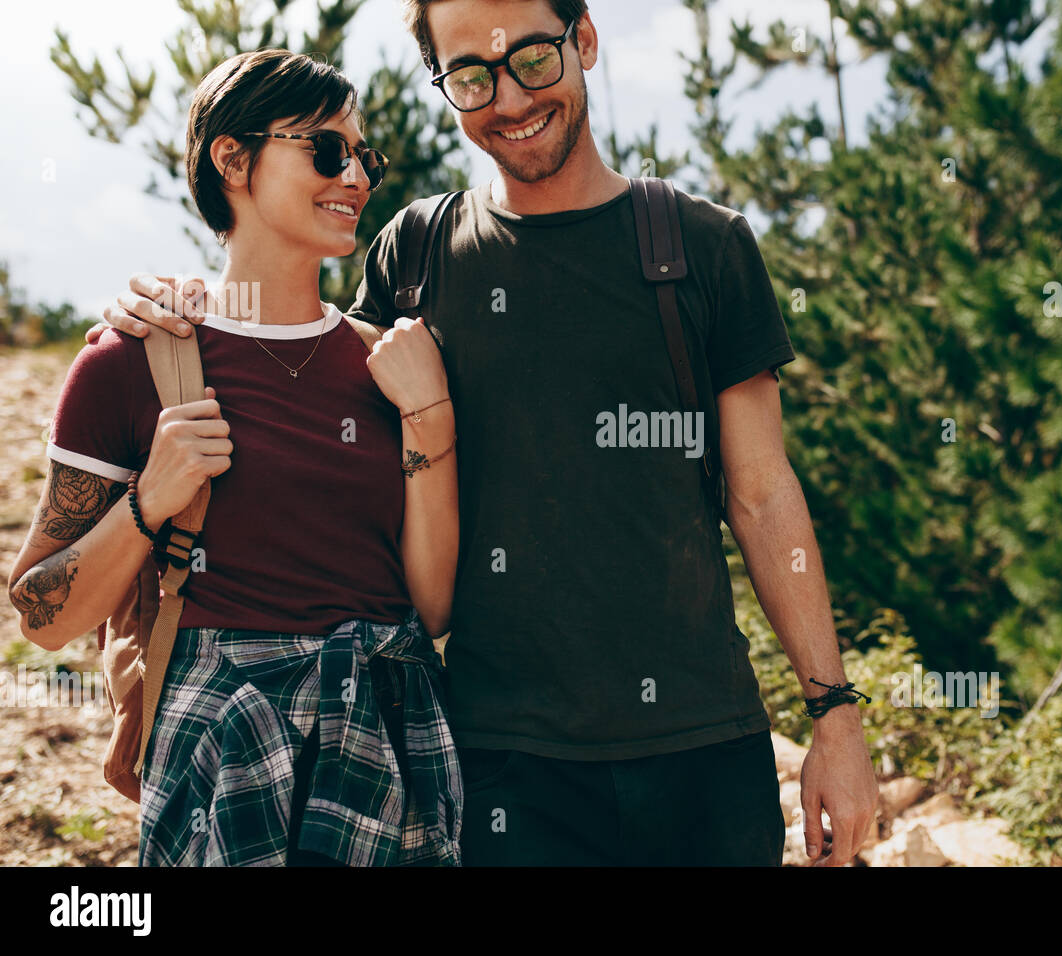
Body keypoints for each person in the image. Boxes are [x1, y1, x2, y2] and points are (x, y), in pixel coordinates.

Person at [95, 0, 879, 867]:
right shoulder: (414, 255)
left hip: (703, 750)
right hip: (495, 768)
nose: (507, 98)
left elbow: (763, 494)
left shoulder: (702, 246)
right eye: (471, 76)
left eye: (534, 59)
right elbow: (306, 386)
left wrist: (834, 714)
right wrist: (185, 308)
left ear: (584, 41)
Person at [9, 49, 463, 866]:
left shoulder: (392, 368)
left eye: (365, 154)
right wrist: (149, 502)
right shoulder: (132, 360)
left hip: (388, 750)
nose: (356, 173)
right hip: (224, 756)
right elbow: (42, 617)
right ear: (232, 158)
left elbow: (429, 610)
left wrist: (431, 420)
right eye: (326, 149)